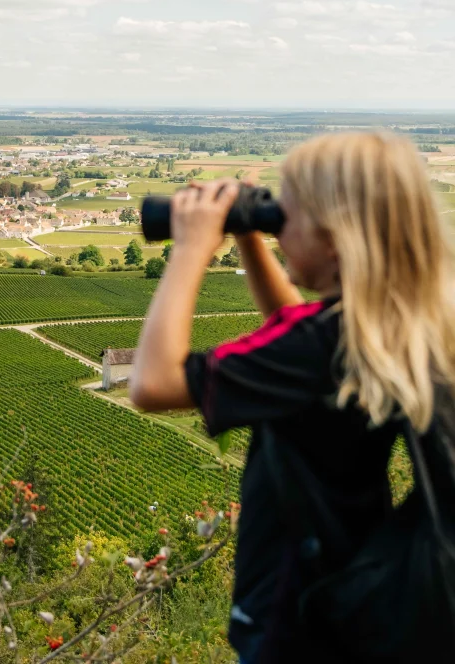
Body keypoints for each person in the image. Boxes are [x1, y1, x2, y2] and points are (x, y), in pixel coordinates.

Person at [130, 131, 455, 663]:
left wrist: (190, 249)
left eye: (287, 217)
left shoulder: (326, 342)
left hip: (290, 616)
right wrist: (248, 238)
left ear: (334, 237)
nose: (278, 229)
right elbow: (294, 329)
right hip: (352, 597)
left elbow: (152, 382)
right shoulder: (391, 323)